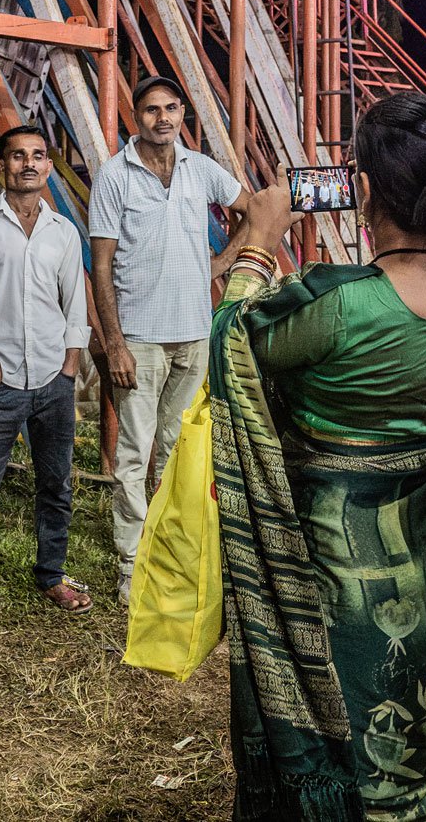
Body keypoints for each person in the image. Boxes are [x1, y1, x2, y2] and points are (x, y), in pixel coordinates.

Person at [212, 92, 426, 820]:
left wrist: (256, 243)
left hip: (337, 559)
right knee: (413, 699)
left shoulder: (341, 303)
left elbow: (234, 342)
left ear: (361, 189)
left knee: (342, 702)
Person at [88, 76, 256, 606]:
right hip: (138, 338)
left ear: (182, 113)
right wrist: (113, 342)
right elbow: (101, 264)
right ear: (135, 118)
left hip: (194, 335)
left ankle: (173, 555)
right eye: (151, 110)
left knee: (179, 451)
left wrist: (223, 261)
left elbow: (255, 210)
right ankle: (131, 564)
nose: (163, 119)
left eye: (171, 109)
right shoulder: (116, 176)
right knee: (134, 456)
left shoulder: (200, 169)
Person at [0, 125, 92, 631]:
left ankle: (51, 573)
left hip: (53, 378)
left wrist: (70, 366)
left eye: (37, 156)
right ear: (1, 164)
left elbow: (75, 303)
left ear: (47, 166)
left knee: (57, 484)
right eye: (17, 156)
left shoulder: (63, 232)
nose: (28, 164)